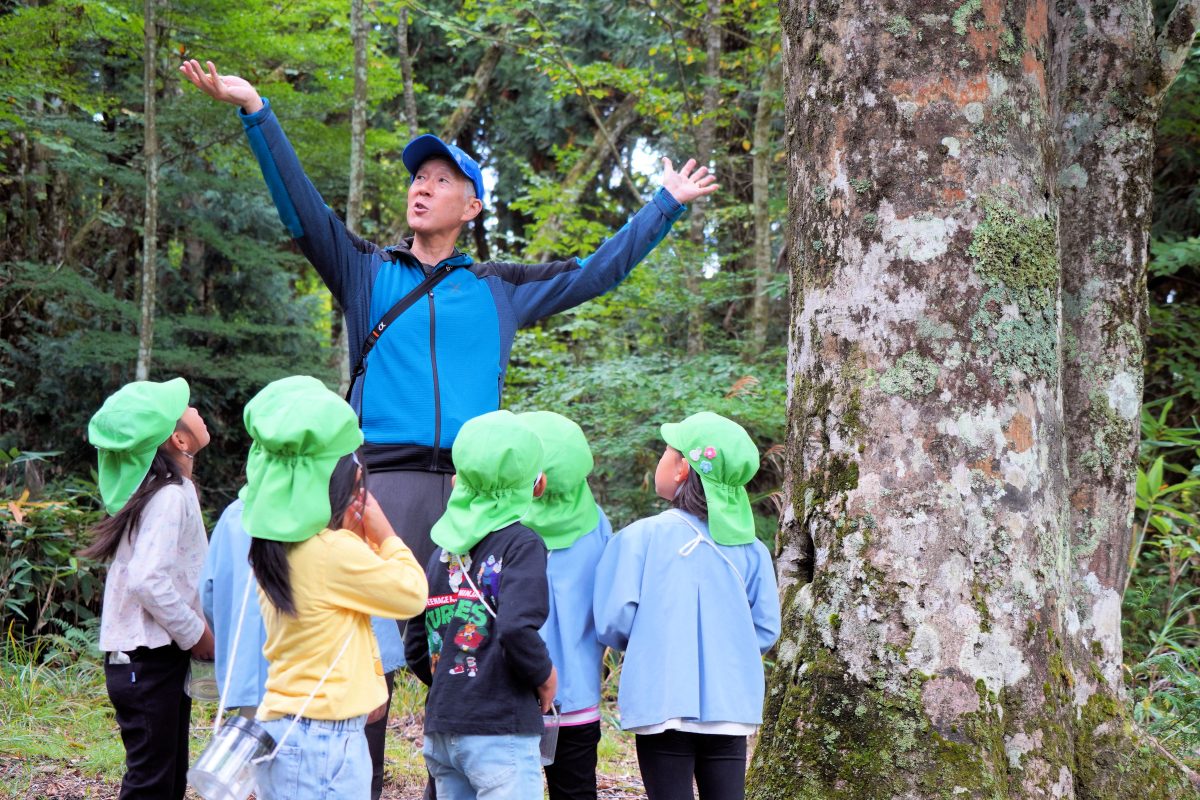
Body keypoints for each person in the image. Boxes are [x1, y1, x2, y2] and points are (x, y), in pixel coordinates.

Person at [241, 375, 428, 800]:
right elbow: (412, 592)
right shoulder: (333, 552)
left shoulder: (274, 546)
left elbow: (340, 623)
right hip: (323, 740)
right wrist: (384, 533)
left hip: (286, 725)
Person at [593, 412, 781, 800]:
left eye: (667, 451)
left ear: (682, 468)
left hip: (660, 699)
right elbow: (765, 629)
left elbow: (613, 621)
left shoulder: (638, 538)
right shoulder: (753, 550)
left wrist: (650, 642)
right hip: (731, 706)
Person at [201, 495, 405, 799]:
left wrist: (232, 654)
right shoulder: (328, 514)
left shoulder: (235, 514)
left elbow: (209, 593)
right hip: (326, 695)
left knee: (258, 780)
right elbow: (368, 594)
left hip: (254, 682)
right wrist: (378, 670)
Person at [403, 410, 556, 800]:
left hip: (442, 726)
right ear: (536, 485)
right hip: (499, 729)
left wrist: (453, 687)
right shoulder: (523, 545)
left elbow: (416, 644)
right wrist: (545, 677)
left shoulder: (443, 549)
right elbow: (516, 628)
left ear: (457, 481)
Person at [83, 377, 215, 800]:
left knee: (167, 777)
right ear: (179, 439)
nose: (196, 411)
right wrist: (197, 634)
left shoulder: (168, 492)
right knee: (151, 784)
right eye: (188, 408)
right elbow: (147, 579)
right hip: (146, 661)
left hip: (155, 659)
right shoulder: (169, 496)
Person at [518, 411, 612, 800]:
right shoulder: (599, 527)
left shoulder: (504, 527)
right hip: (576, 695)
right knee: (575, 791)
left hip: (511, 694)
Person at [200, 497, 269, 717]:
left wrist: (227, 642)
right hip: (317, 680)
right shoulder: (326, 508)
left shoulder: (235, 513)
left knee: (256, 745)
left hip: (251, 672)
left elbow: (208, 595)